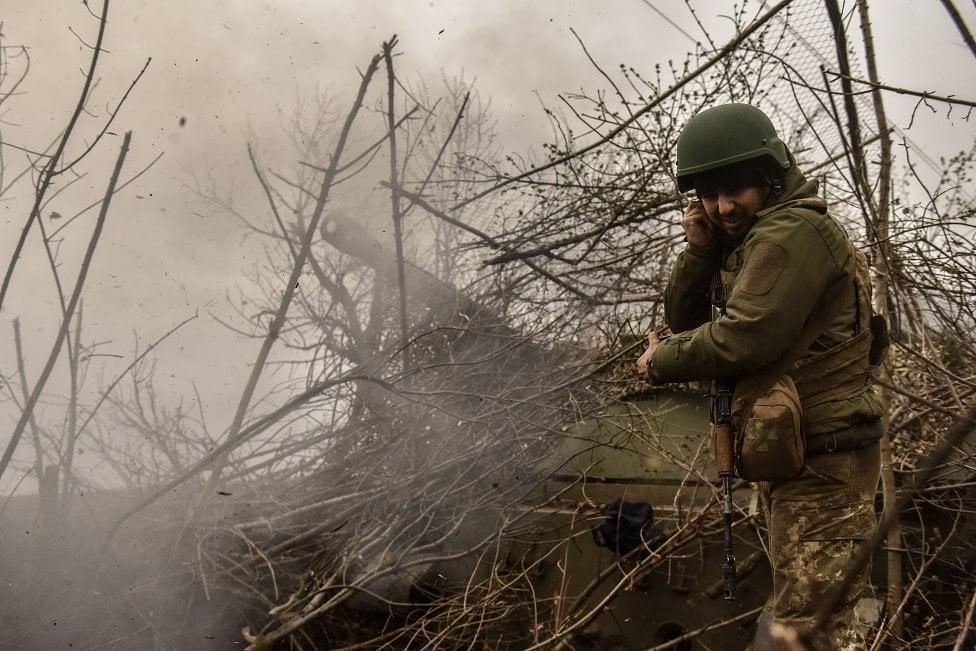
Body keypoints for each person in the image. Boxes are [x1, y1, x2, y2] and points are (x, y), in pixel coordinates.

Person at [636, 103, 885, 650]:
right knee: (806, 625)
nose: (722, 206)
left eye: (735, 190)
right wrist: (700, 253)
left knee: (812, 633)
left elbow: (742, 338)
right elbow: (687, 322)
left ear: (770, 177)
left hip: (827, 465)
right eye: (708, 194)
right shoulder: (752, 237)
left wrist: (662, 361)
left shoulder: (791, 234)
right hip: (801, 460)